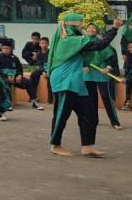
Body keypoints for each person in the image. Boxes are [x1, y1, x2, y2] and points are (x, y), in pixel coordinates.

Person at [48, 13, 120, 157]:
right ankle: (55, 145)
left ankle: (87, 146)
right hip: (64, 81)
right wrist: (114, 28)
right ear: (72, 25)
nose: (82, 27)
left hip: (75, 82)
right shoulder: (68, 40)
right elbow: (97, 44)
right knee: (61, 114)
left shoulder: (75, 39)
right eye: (80, 24)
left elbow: (95, 46)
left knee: (89, 113)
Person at [82, 23, 122, 130]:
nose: (91, 29)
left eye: (94, 27)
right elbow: (77, 56)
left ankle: (114, 122)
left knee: (106, 97)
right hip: (88, 73)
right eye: (89, 27)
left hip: (101, 72)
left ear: (97, 30)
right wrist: (83, 65)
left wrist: (108, 67)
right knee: (91, 98)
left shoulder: (102, 41)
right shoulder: (82, 41)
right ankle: (93, 120)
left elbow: (110, 56)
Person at [0, 41, 44, 110]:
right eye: (3, 48)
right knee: (6, 83)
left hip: (15, 78)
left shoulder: (14, 58)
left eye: (7, 48)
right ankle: (8, 103)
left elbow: (19, 68)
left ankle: (34, 102)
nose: (5, 50)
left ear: (11, 49)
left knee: (29, 82)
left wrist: (19, 75)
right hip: (3, 78)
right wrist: (6, 76)